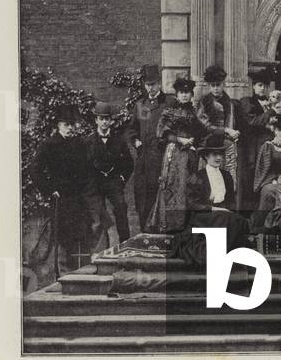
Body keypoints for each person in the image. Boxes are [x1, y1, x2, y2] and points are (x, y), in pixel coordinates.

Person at [32, 105, 91, 272]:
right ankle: (62, 276)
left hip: (77, 198)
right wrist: (50, 189)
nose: (70, 128)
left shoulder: (79, 144)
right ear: (58, 125)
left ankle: (78, 275)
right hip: (59, 198)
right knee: (61, 237)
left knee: (79, 235)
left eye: (72, 124)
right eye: (66, 124)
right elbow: (35, 170)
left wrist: (83, 187)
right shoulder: (49, 144)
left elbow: (86, 168)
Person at [148, 76, 205, 232]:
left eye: (187, 92)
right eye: (181, 92)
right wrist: (180, 140)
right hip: (175, 153)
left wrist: (195, 141)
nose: (184, 95)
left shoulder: (197, 112)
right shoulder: (170, 111)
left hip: (192, 154)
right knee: (174, 185)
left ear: (191, 95)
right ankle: (171, 224)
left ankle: (187, 225)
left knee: (190, 185)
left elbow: (204, 131)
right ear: (177, 94)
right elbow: (162, 132)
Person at [186, 132, 248, 248]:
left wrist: (226, 209)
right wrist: (214, 209)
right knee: (224, 219)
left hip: (223, 214)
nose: (219, 158)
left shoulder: (226, 175)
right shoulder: (197, 177)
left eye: (220, 154)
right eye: (215, 154)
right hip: (204, 215)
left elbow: (230, 200)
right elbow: (192, 204)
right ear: (206, 156)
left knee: (239, 220)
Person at [125, 64, 168, 232]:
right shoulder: (141, 105)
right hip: (143, 158)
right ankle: (144, 231)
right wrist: (135, 141)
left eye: (154, 84)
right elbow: (131, 128)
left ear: (159, 84)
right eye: (148, 84)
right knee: (141, 193)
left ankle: (157, 231)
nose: (150, 87)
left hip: (160, 157)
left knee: (156, 192)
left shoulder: (167, 103)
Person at [85, 101, 134, 245]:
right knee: (98, 214)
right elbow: (85, 165)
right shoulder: (88, 141)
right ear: (96, 120)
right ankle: (101, 249)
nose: (104, 122)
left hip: (113, 181)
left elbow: (129, 163)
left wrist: (122, 178)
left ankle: (125, 244)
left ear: (111, 121)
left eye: (107, 119)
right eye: (101, 119)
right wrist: (91, 182)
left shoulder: (119, 140)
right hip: (96, 183)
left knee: (121, 207)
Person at [251, 117, 281, 230]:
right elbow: (262, 169)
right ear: (274, 130)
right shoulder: (268, 146)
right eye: (279, 130)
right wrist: (273, 180)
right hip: (272, 180)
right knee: (268, 191)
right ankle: (262, 225)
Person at [197, 64, 240, 186]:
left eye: (218, 85)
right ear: (209, 86)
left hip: (226, 144)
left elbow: (231, 121)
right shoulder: (204, 102)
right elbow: (204, 125)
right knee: (209, 180)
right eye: (213, 85)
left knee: (228, 176)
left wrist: (233, 134)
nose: (215, 88)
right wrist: (226, 130)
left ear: (223, 84)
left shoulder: (229, 102)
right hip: (209, 144)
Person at [238, 70, 275, 210]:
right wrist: (270, 112)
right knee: (252, 176)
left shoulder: (271, 102)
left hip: (269, 146)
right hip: (253, 147)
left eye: (265, 85)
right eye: (259, 85)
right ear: (253, 86)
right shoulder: (247, 102)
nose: (262, 88)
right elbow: (252, 122)